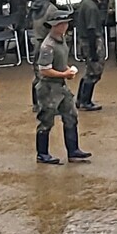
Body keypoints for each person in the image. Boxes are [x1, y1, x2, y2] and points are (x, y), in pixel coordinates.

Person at [34, 10, 90, 165]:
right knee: (46, 121)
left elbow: (59, 62)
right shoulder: (48, 46)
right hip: (48, 88)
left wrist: (66, 70)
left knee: (71, 116)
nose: (65, 26)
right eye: (62, 24)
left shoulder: (61, 40)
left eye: (66, 23)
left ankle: (73, 151)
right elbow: (44, 70)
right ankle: (42, 154)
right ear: (54, 25)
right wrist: (64, 74)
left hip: (61, 85)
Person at [73, 0, 111, 112]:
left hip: (86, 40)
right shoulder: (91, 7)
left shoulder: (86, 1)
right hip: (91, 41)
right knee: (94, 72)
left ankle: (81, 99)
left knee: (89, 71)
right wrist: (94, 50)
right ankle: (85, 101)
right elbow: (91, 29)